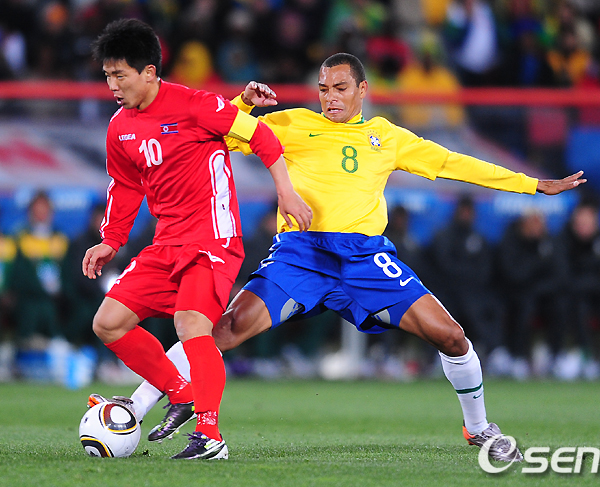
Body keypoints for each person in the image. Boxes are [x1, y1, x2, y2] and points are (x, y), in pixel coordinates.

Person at [106, 53, 585, 462]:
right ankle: (137, 408)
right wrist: (243, 103)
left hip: (364, 259)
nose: (329, 97)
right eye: (322, 89)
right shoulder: (292, 123)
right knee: (219, 330)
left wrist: (529, 183)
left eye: (339, 88)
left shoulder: (386, 136)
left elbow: (452, 163)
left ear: (362, 90)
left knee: (452, 336)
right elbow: (217, 133)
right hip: (300, 255)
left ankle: (478, 428)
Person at [83, 18, 312, 461]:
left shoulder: (194, 104)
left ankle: (210, 436)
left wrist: (285, 191)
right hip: (166, 241)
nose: (112, 85)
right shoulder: (119, 127)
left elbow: (261, 136)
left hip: (213, 237)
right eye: (107, 75)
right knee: (107, 323)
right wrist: (111, 239)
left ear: (149, 72)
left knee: (191, 325)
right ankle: (180, 392)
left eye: (120, 75)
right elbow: (125, 185)